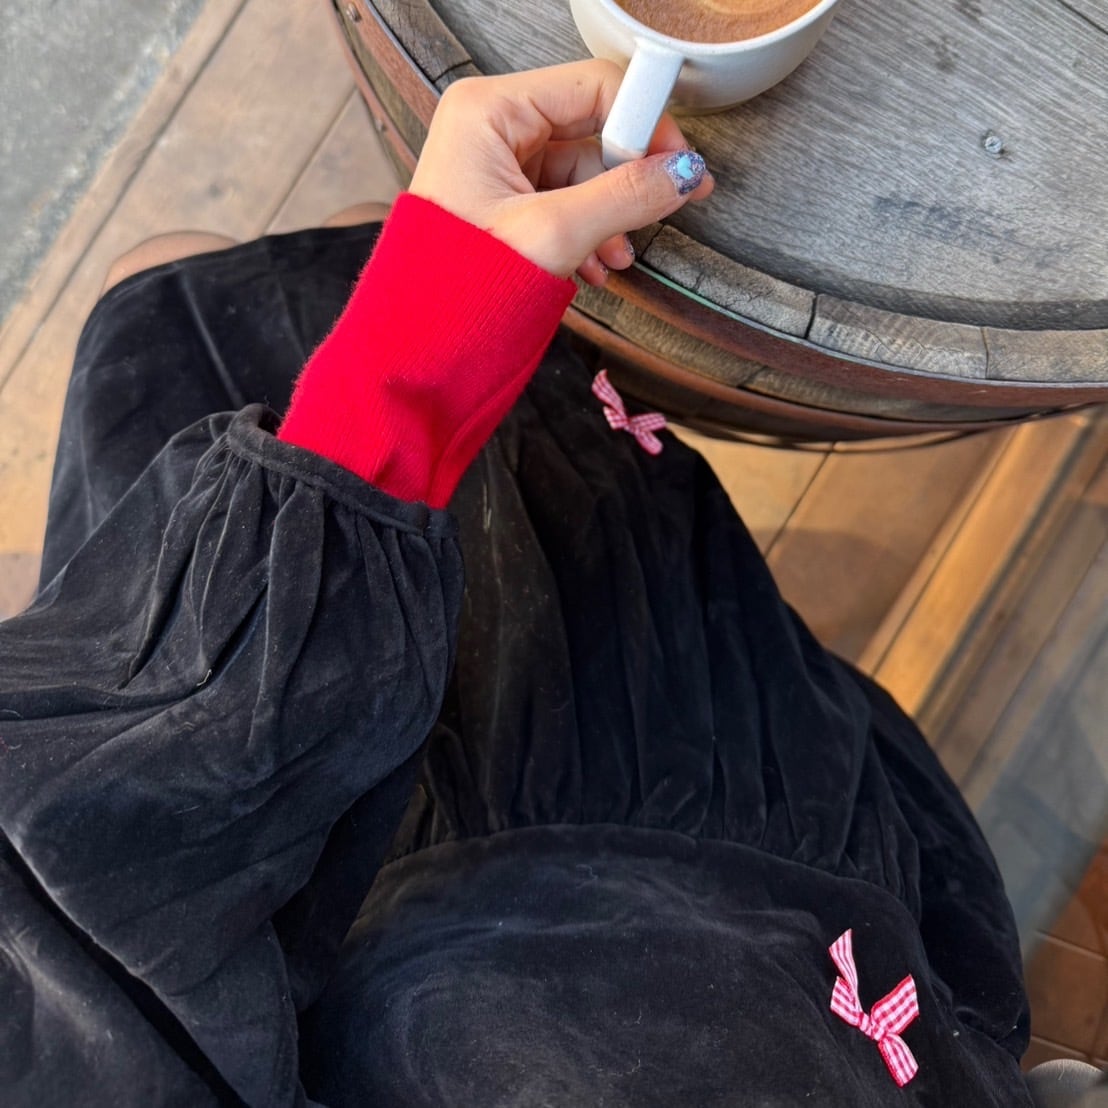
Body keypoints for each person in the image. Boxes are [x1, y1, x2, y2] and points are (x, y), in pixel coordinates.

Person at [0, 60, 1038, 1106]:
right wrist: (413, 357)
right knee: (250, 272)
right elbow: (80, 929)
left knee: (188, 286)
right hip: (691, 870)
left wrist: (423, 345)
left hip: (306, 879)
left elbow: (71, 937)